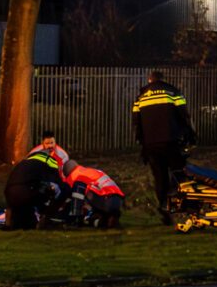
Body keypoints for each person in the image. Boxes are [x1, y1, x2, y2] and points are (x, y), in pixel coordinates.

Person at [132, 71, 196, 219]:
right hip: (172, 141)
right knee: (178, 173)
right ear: (163, 80)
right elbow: (185, 115)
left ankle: (163, 206)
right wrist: (190, 136)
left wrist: (142, 144)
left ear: (150, 81)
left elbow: (136, 124)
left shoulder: (140, 98)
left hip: (151, 145)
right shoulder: (173, 92)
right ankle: (181, 206)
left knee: (160, 177)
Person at [0, 138, 67, 230]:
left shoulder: (24, 162)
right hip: (27, 193)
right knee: (61, 189)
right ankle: (47, 219)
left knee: (27, 223)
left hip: (10, 194)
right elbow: (58, 183)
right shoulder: (49, 160)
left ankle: (12, 223)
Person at [59, 155, 126, 229]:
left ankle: (75, 219)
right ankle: (107, 218)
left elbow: (66, 194)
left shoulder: (74, 175)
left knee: (78, 187)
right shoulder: (88, 171)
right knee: (97, 221)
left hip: (106, 199)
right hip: (117, 200)